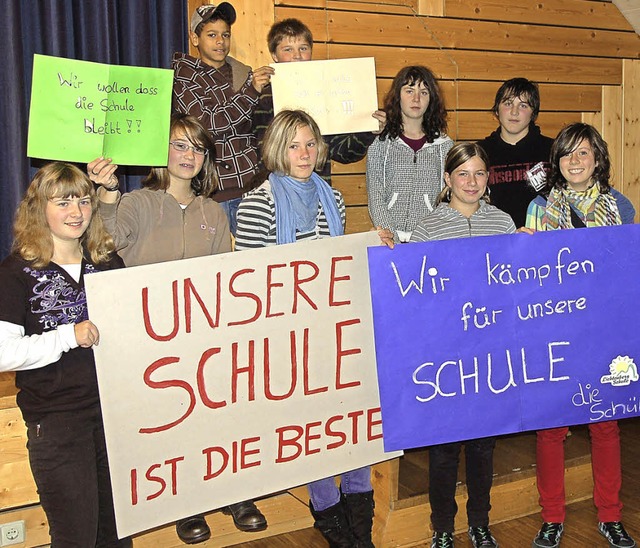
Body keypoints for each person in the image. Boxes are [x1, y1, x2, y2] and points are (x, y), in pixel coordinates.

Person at [88, 114, 264, 544]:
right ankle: (186, 502)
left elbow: (227, 274)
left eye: (198, 149)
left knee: (221, 412)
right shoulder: (136, 203)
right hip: (150, 343)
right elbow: (102, 247)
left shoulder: (214, 212)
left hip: (205, 338)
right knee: (172, 419)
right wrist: (106, 197)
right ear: (160, 151)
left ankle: (232, 490)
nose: (189, 155)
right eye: (180, 145)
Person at [236, 110, 375, 547]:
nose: (304, 153)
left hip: (335, 336)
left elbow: (341, 268)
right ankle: (334, 529)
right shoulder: (257, 203)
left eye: (311, 144)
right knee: (313, 436)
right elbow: (250, 282)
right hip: (289, 340)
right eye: (294, 145)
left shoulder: (332, 199)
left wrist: (376, 242)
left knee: (352, 427)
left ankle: (361, 531)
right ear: (278, 148)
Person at [0, 163, 130, 547]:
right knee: (77, 537)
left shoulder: (107, 262)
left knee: (117, 535)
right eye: (63, 202)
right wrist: (66, 336)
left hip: (113, 418)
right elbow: (4, 353)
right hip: (57, 423)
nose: (76, 212)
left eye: (83, 201)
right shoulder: (16, 272)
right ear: (39, 208)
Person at [525, 123, 636, 548]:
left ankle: (610, 515)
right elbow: (528, 274)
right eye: (567, 153)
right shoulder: (537, 208)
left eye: (583, 153)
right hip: (552, 327)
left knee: (605, 425)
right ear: (557, 161)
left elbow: (624, 270)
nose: (575, 160)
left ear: (597, 160)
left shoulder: (619, 207)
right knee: (550, 428)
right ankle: (552, 516)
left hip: (603, 330)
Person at [409, 143, 514, 548]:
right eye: (463, 174)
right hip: (447, 355)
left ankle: (480, 523)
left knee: (484, 448)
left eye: (480, 174)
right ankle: (441, 529)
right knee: (444, 450)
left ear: (488, 179)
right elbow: (413, 295)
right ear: (447, 179)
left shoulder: (503, 224)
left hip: (490, 354)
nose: (472, 182)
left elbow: (516, 288)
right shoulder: (427, 229)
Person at [172, 2, 274, 235]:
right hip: (210, 191)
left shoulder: (243, 73)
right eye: (212, 35)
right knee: (213, 264)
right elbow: (207, 125)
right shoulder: (185, 76)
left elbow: (259, 128)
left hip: (251, 187)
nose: (220, 41)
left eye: (225, 35)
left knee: (256, 257)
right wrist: (251, 91)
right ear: (194, 38)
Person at [252, 18, 385, 185]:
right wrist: (251, 92)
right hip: (277, 192)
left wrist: (368, 129)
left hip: (317, 192)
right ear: (274, 56)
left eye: (303, 48)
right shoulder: (262, 98)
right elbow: (263, 154)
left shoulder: (324, 96)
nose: (297, 56)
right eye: (288, 49)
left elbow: (343, 153)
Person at [367, 65, 453, 243]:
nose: (416, 98)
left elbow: (447, 199)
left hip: (429, 241)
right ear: (398, 95)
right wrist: (392, 238)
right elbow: (375, 196)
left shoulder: (444, 146)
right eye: (409, 90)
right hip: (388, 241)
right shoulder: (380, 143)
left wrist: (424, 238)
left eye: (423, 92)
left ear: (431, 99)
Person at [477, 77, 554, 228]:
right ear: (497, 110)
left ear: (534, 113)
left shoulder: (552, 150)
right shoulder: (480, 152)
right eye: (508, 103)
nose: (514, 112)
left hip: (543, 239)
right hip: (495, 239)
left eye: (523, 105)